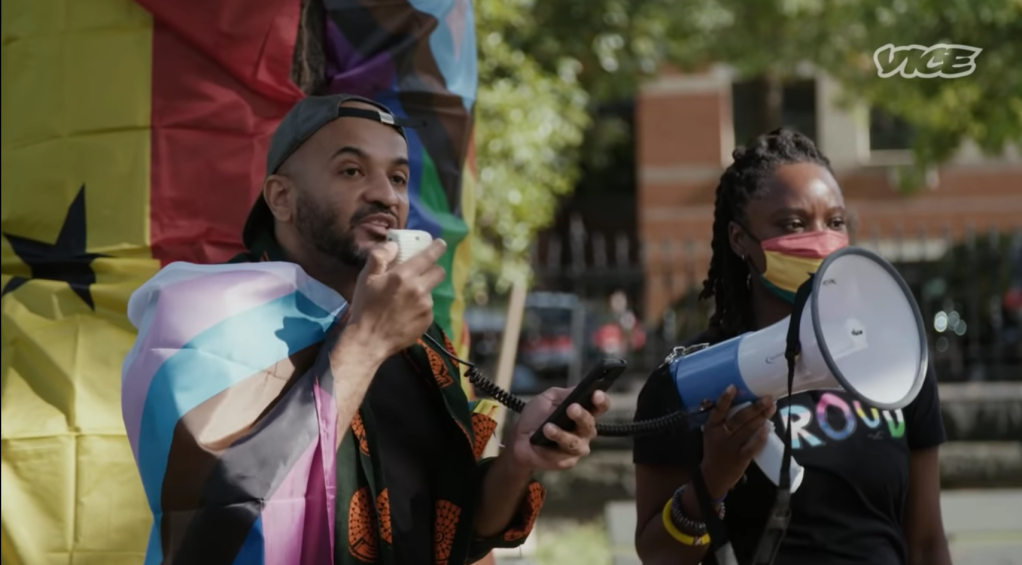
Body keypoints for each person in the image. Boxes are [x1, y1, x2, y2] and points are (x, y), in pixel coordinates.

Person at [234, 94, 611, 564]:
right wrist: (369, 340)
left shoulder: (419, 340)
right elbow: (233, 504)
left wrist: (519, 460)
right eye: (351, 171)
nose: (386, 195)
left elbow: (461, 530)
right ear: (281, 197)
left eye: (397, 177)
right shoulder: (226, 318)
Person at [632, 129, 951, 565]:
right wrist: (711, 483)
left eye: (835, 222)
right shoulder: (689, 384)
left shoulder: (896, 360)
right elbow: (657, 556)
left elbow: (927, 543)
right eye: (793, 224)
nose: (820, 240)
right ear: (740, 239)